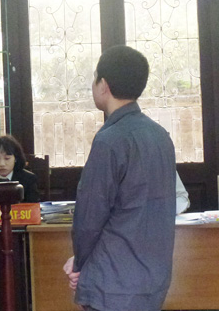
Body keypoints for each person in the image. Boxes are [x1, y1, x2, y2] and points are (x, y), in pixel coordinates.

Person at [63, 45, 176, 311]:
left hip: (112, 281)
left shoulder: (110, 140)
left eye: (95, 78)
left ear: (103, 85)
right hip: (153, 278)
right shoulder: (160, 136)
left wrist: (80, 261)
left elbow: (90, 217)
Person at [0, 135, 40, 203]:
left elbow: (33, 206)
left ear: (16, 158)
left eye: (7, 158)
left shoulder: (29, 179)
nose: (2, 164)